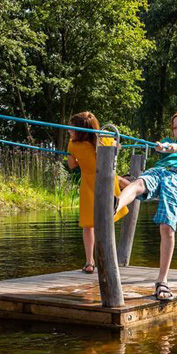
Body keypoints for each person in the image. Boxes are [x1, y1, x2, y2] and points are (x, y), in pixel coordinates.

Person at [114, 112, 177, 300]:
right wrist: (163, 147)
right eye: (175, 127)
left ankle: (162, 281)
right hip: (158, 171)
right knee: (138, 184)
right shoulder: (167, 141)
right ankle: (113, 208)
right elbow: (162, 149)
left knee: (166, 226)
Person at [66, 111, 127, 274]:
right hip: (107, 182)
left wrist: (78, 159)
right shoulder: (105, 138)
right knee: (107, 222)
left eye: (71, 129)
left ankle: (89, 262)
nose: (68, 131)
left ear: (80, 130)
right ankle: (109, 259)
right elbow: (116, 151)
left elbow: (71, 166)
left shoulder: (73, 145)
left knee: (88, 225)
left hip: (88, 184)